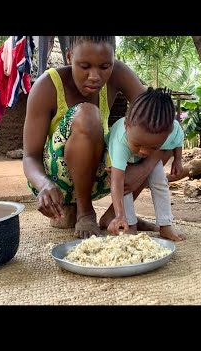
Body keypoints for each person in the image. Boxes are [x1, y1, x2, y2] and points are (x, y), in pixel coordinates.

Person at [22, 36, 167, 239]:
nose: (95, 76)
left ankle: (115, 216)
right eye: (84, 66)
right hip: (57, 181)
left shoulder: (118, 74)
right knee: (88, 114)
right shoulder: (47, 85)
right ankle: (85, 211)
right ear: (69, 57)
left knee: (160, 131)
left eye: (104, 66)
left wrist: (143, 169)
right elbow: (30, 156)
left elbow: (161, 120)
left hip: (103, 177)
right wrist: (44, 185)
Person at [105, 87, 187, 242]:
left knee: (160, 182)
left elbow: (178, 141)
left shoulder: (171, 130)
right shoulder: (121, 142)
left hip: (137, 152)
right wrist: (119, 215)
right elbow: (117, 182)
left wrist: (178, 159)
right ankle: (128, 224)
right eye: (138, 145)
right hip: (119, 155)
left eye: (153, 147)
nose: (143, 151)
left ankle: (165, 225)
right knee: (125, 187)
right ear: (126, 125)